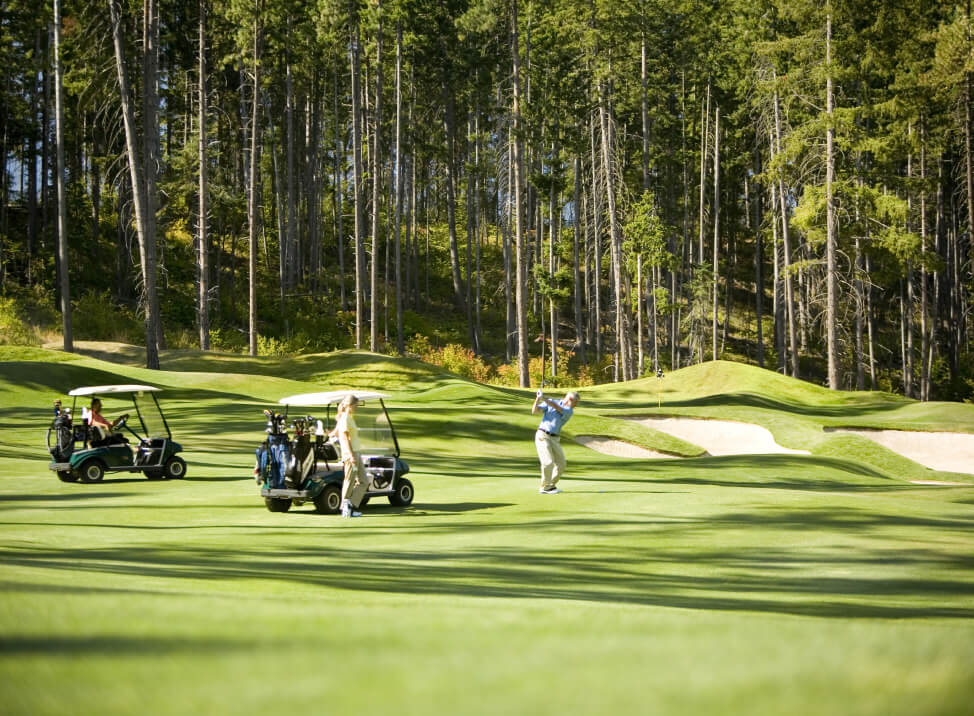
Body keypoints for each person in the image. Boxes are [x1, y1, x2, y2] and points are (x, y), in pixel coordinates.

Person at [532, 390, 580, 494]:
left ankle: (551, 485)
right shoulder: (551, 402)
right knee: (548, 462)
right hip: (543, 435)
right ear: (570, 399)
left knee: (561, 464)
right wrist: (537, 399)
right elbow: (535, 411)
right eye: (576, 402)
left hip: (555, 439)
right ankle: (545, 487)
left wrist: (544, 398)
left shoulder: (569, 410)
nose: (576, 405)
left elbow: (556, 407)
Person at [330, 394, 368, 518]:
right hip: (350, 453)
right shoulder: (345, 418)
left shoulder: (346, 417)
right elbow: (345, 438)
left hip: (356, 452)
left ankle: (350, 505)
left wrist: (329, 433)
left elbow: (335, 433)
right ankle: (345, 508)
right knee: (349, 480)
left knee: (363, 481)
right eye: (355, 405)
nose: (357, 407)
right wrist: (351, 455)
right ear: (349, 405)